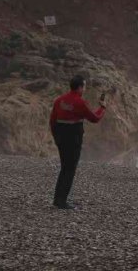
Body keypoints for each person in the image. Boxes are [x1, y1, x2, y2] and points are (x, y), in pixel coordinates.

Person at [49, 75, 107, 209]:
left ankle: (58, 199)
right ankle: (61, 201)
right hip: (73, 139)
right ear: (80, 87)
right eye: (84, 86)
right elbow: (94, 118)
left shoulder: (59, 100)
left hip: (61, 138)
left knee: (64, 168)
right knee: (70, 169)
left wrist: (56, 138)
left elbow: (52, 121)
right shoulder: (79, 102)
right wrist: (102, 108)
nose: (85, 89)